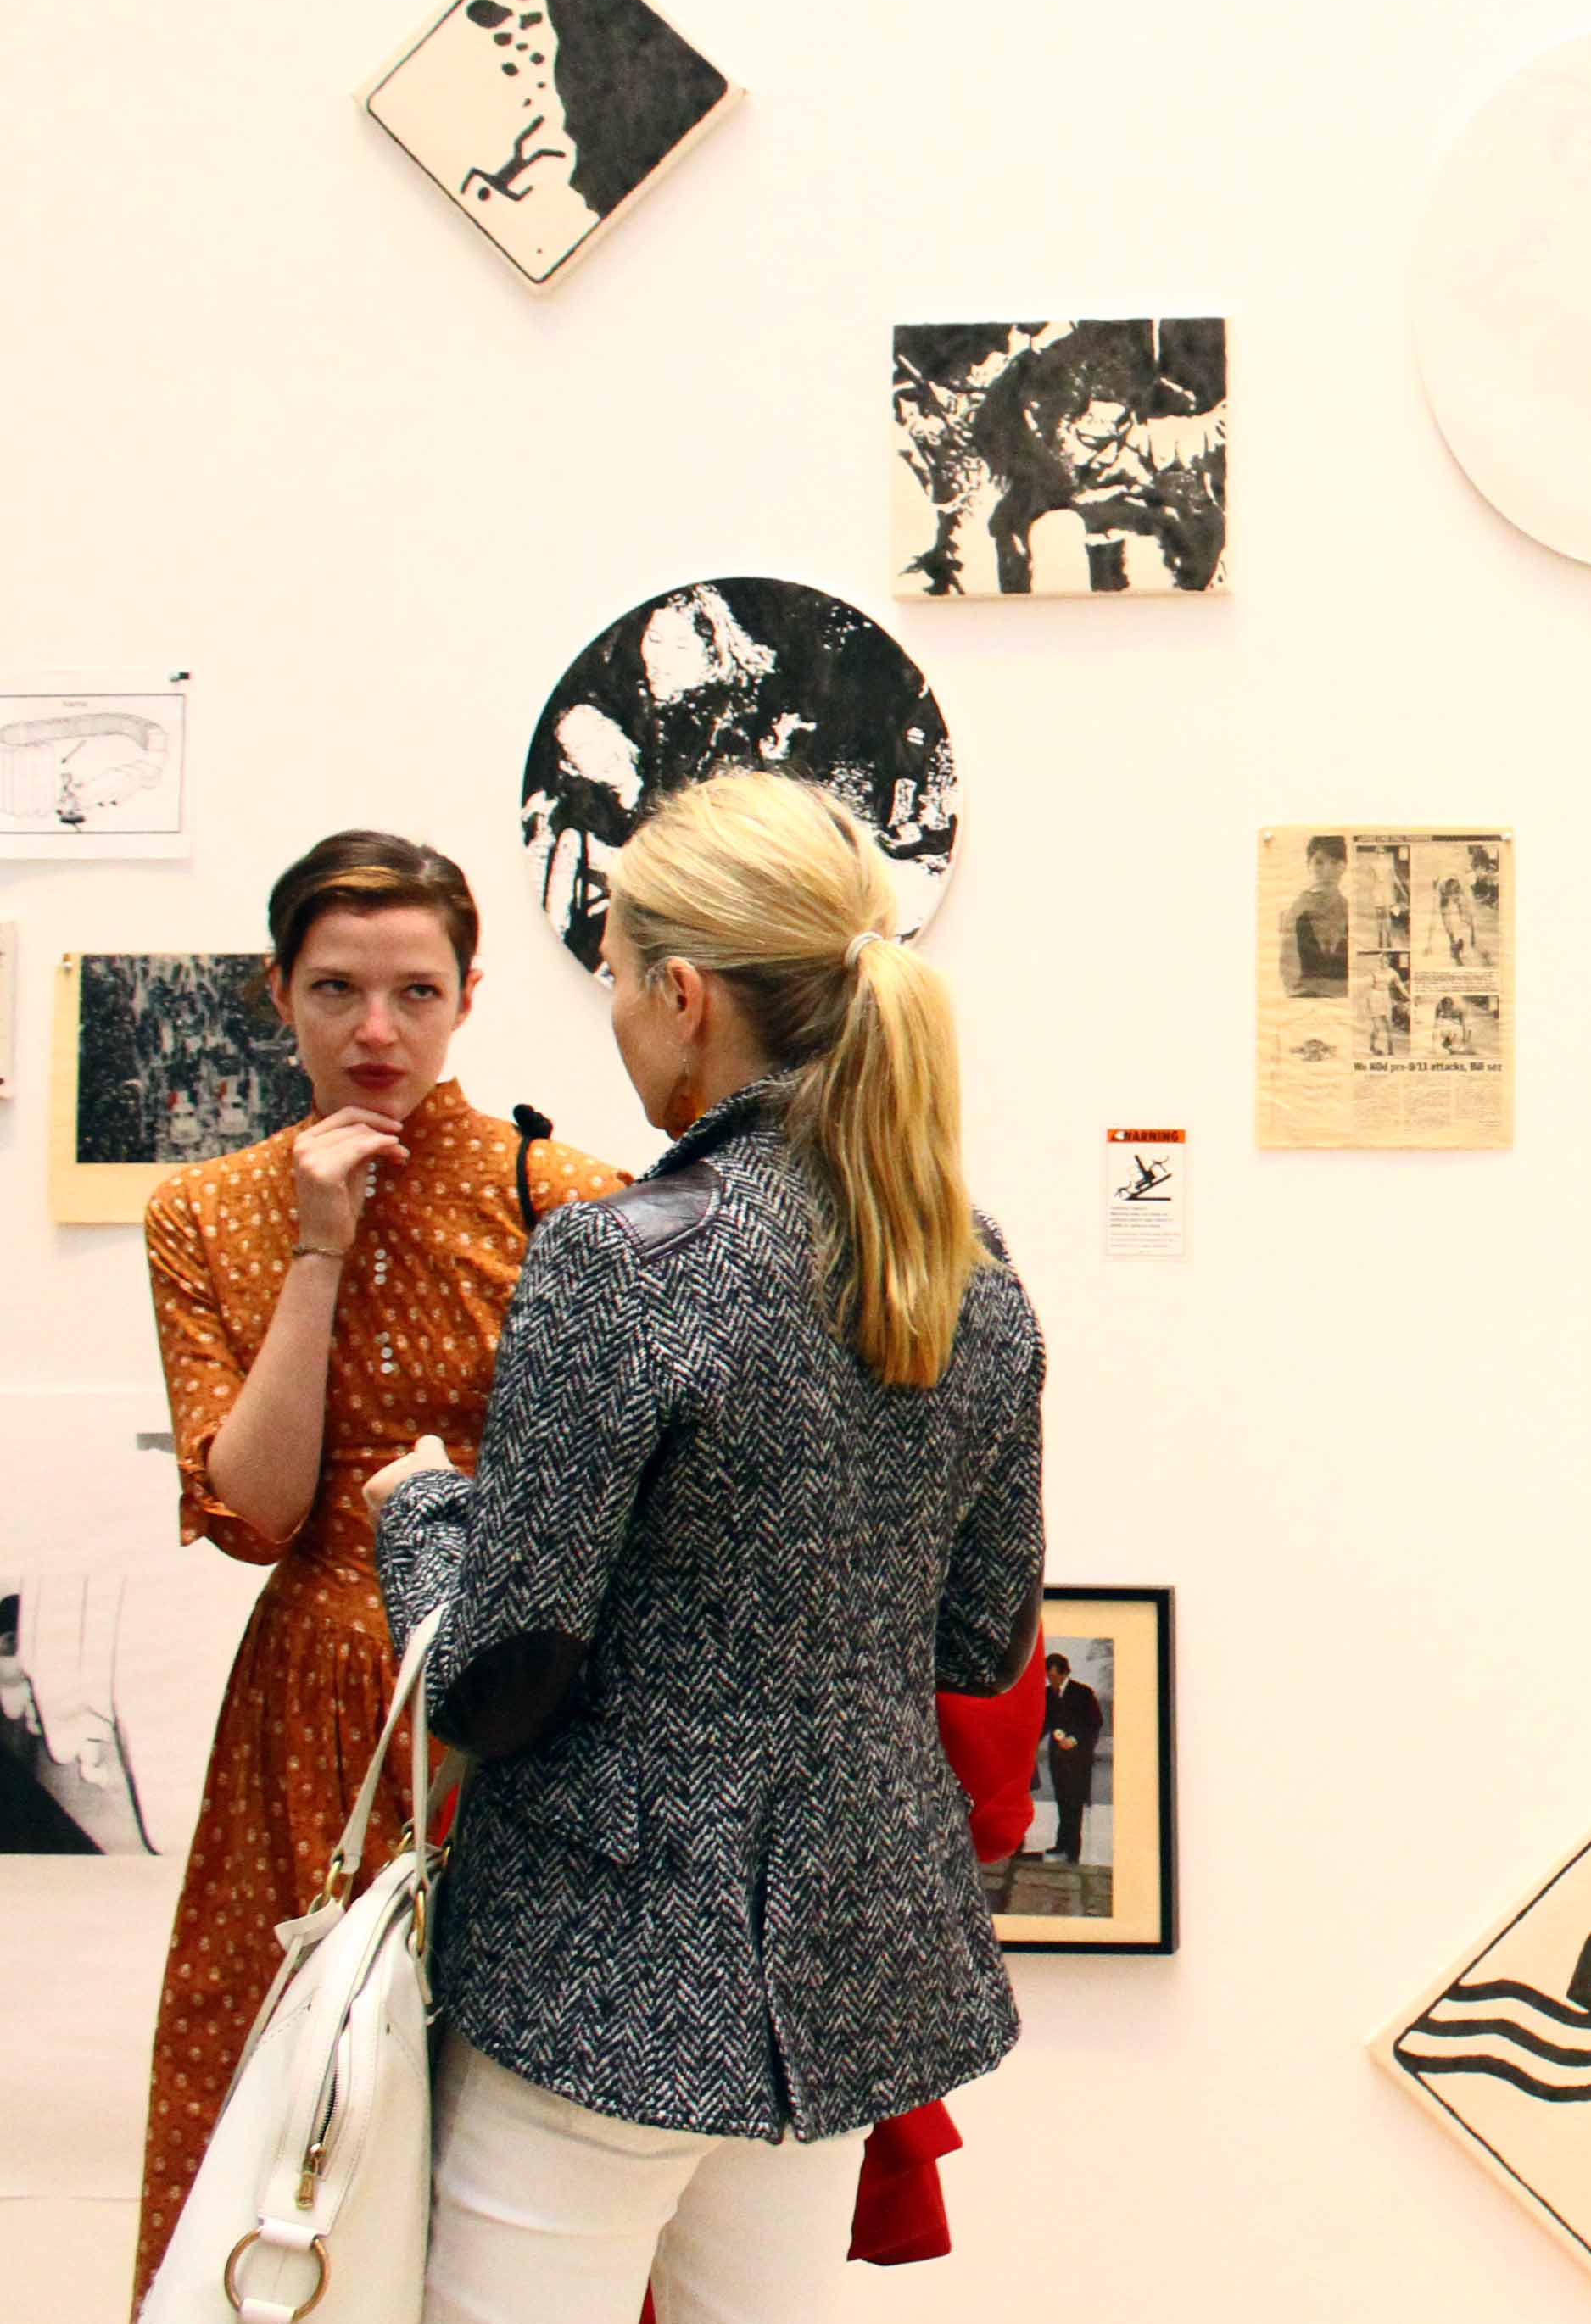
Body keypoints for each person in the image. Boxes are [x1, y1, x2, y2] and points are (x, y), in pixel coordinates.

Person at [363, 770, 1044, 2324]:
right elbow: (979, 1637)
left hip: (601, 1961)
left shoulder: (624, 1262)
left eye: (615, 978)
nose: (616, 1014)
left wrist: (420, 1512)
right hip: (843, 1969)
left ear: (684, 996)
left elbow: (497, 1679)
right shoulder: (964, 1262)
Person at [131, 833, 626, 2304]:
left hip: (505, 1697)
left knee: (500, 2132)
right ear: (278, 992)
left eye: (415, 991)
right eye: (336, 989)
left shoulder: (566, 1199)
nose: (375, 1032)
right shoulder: (207, 1210)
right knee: (278, 2094)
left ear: (469, 996)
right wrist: (316, 1250)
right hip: (310, 1698)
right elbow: (259, 1512)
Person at [1041, 1652, 1103, 1862]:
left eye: (1054, 1676)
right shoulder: (1047, 1694)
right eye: (1048, 1676)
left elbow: (1095, 1723)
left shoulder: (1083, 1693)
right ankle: (1061, 1844)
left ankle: (1073, 1851)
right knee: (1062, 1800)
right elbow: (1043, 1724)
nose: (1051, 1680)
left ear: (1064, 1673)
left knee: (1074, 1803)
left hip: (1078, 1758)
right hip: (1057, 1758)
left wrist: (1075, 1739)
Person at [1285, 833, 1350, 994]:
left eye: (1334, 862)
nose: (1327, 871)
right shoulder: (1296, 910)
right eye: (1319, 862)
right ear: (1308, 864)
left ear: (1345, 866)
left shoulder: (1349, 908)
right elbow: (1288, 977)